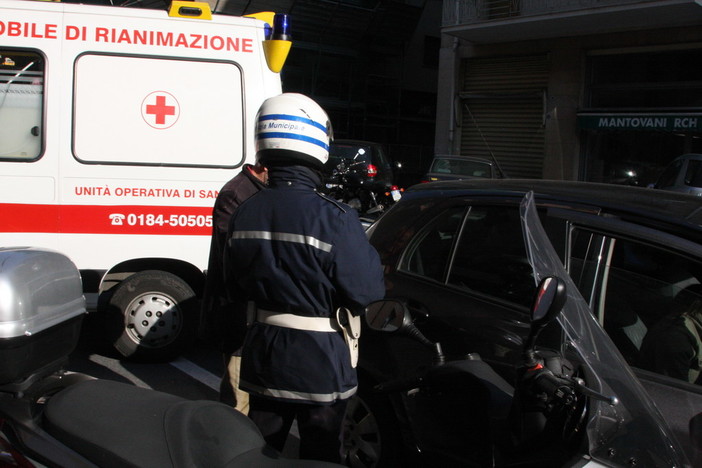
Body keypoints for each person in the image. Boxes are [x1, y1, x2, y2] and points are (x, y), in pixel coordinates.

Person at [223, 93, 385, 463]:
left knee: (260, 453)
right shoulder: (336, 218)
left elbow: (232, 285)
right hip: (321, 363)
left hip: (263, 354)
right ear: (315, 142)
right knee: (322, 456)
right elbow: (367, 291)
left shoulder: (244, 211)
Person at [199, 162, 268, 414]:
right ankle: (229, 447)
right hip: (237, 313)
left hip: (254, 315)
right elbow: (235, 254)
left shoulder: (258, 190)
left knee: (252, 395)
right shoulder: (237, 192)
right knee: (237, 401)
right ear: (263, 165)